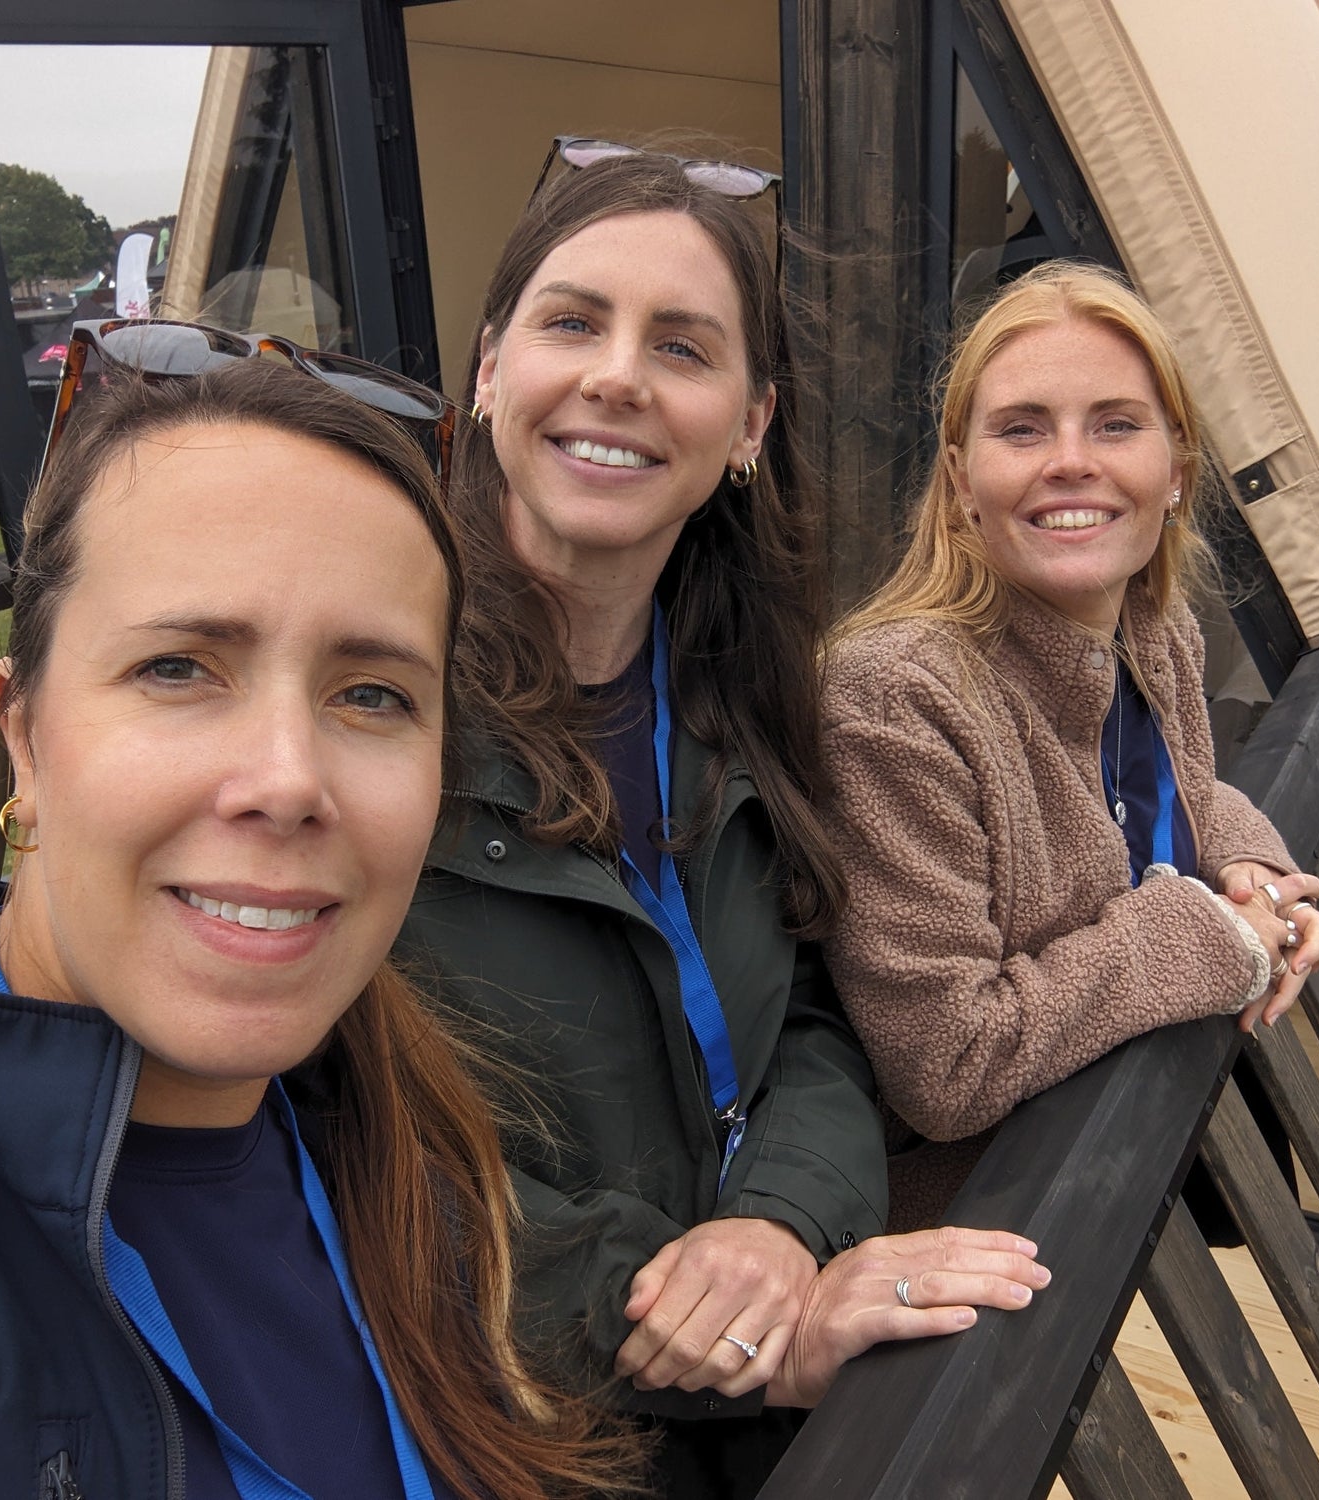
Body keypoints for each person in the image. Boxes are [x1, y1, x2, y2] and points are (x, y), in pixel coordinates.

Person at [398, 143, 1050, 1497]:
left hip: (747, 1431)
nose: (619, 375)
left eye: (682, 347)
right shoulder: (373, 715)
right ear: (488, 369)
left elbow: (810, 1017)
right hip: (496, 1441)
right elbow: (312, 1145)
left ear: (750, 425)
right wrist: (703, 1309)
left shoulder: (734, 695)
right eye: (572, 322)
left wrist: (777, 1229)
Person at [0, 326, 635, 1500]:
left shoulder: (402, 1143)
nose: (289, 780)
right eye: (179, 668)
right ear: (23, 733)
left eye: (373, 694)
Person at [821, 262, 1319, 1230]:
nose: (1071, 461)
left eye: (1115, 424)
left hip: (1126, 1176)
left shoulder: (1154, 628)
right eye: (1022, 428)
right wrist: (1197, 933)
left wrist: (1259, 870)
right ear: (961, 477)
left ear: (1177, 469)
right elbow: (947, 1063)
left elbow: (1172, 791)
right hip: (983, 1265)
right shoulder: (896, 700)